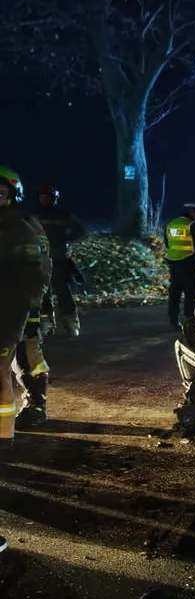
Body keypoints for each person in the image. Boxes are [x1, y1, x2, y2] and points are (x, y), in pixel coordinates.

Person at [0, 166, 52, 441]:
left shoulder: (21, 226)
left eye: (1, 192)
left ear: (13, 194)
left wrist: (33, 305)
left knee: (28, 356)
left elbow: (36, 270)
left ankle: (35, 404)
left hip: (18, 304)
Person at [36, 184, 87, 337]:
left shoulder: (62, 215)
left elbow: (80, 230)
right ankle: (46, 322)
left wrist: (64, 238)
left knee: (62, 289)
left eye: (48, 197)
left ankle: (71, 322)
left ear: (54, 198)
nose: (45, 200)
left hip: (59, 257)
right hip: (41, 258)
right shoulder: (35, 216)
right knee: (43, 292)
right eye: (42, 197)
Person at [164, 203, 195, 330]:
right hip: (189, 264)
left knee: (175, 292)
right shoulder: (192, 225)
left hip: (173, 264)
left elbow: (168, 244)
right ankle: (191, 320)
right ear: (193, 212)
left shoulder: (170, 224)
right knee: (191, 292)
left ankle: (174, 320)